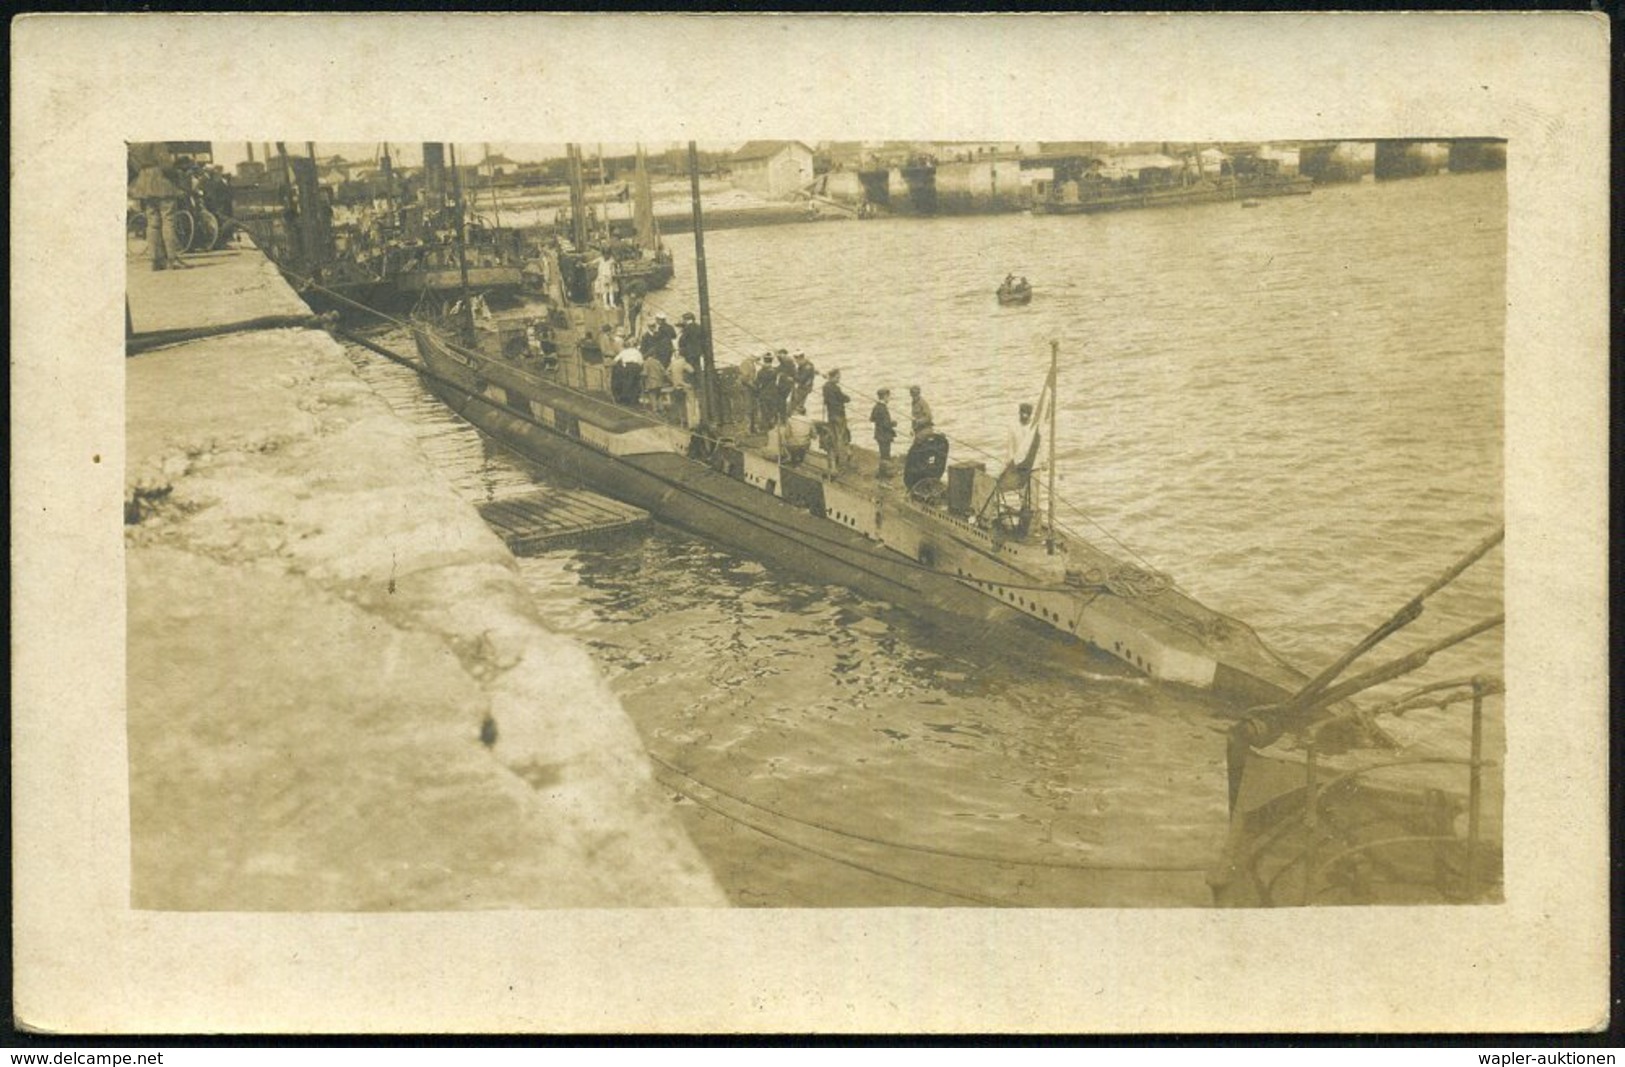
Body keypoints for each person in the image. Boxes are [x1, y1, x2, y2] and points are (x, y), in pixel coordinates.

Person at [128, 142, 186, 271]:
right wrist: (177, 177)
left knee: (152, 222)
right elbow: (166, 165)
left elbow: (135, 166)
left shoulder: (135, 144)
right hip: (161, 182)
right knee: (168, 220)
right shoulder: (156, 141)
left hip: (144, 183)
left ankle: (155, 260)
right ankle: (172, 259)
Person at [821, 369, 850, 472]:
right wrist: (847, 398)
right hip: (839, 415)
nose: (839, 379)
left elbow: (827, 400)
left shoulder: (825, 387)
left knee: (834, 436)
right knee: (841, 437)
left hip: (831, 415)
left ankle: (836, 459)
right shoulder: (836, 388)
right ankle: (842, 462)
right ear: (833, 377)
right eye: (837, 377)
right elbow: (844, 398)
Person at [1004, 401, 1041, 475]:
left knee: (1035, 485)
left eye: (1027, 414)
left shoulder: (1036, 427)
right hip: (1019, 464)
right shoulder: (1013, 427)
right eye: (1022, 414)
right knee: (1020, 486)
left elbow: (1042, 444)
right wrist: (1009, 461)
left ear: (1030, 415)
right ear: (1019, 413)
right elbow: (1010, 446)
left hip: (1034, 464)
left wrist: (1044, 460)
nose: (1025, 417)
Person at [870, 388, 898, 472]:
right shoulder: (883, 408)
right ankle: (885, 472)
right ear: (885, 396)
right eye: (888, 397)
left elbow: (872, 419)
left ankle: (883, 471)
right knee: (886, 454)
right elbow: (886, 424)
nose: (889, 398)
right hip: (884, 435)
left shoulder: (876, 407)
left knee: (883, 453)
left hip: (879, 434)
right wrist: (893, 423)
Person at [611, 335, 644, 405]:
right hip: (636, 368)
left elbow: (615, 360)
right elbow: (641, 362)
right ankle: (634, 400)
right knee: (635, 384)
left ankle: (625, 400)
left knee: (626, 383)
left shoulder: (624, 352)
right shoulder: (637, 352)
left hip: (627, 368)